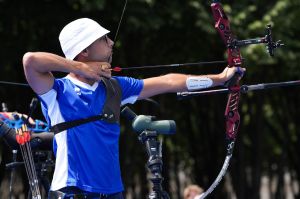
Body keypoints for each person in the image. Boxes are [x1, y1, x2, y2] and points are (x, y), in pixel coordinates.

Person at [22, 18, 245, 199]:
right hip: (72, 190)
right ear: (84, 50)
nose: (111, 43)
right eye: (104, 39)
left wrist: (219, 78)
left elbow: (168, 82)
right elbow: (30, 60)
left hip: (112, 192)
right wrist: (79, 67)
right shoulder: (57, 92)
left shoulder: (116, 87)